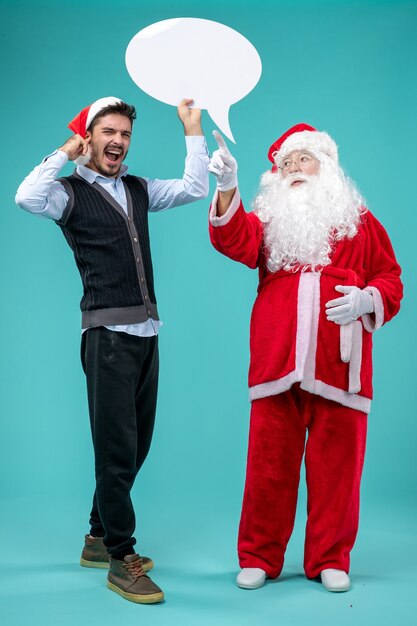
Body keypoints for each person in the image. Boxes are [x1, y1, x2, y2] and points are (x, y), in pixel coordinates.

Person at [16, 96, 209, 604]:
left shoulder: (139, 189)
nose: (119, 142)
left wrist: (193, 128)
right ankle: (122, 557)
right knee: (116, 449)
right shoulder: (68, 194)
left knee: (137, 444)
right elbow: (24, 197)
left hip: (147, 334)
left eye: (125, 134)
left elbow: (194, 187)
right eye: (108, 133)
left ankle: (98, 538)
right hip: (106, 338)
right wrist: (64, 149)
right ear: (88, 139)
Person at [208, 124, 402, 592]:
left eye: (302, 160)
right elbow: (233, 240)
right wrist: (226, 185)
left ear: (327, 168)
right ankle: (258, 555)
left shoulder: (359, 220)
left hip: (341, 366)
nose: (292, 169)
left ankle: (330, 558)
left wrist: (367, 299)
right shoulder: (268, 221)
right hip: (277, 360)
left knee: (338, 468)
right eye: (285, 164)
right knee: (268, 466)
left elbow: (391, 278)